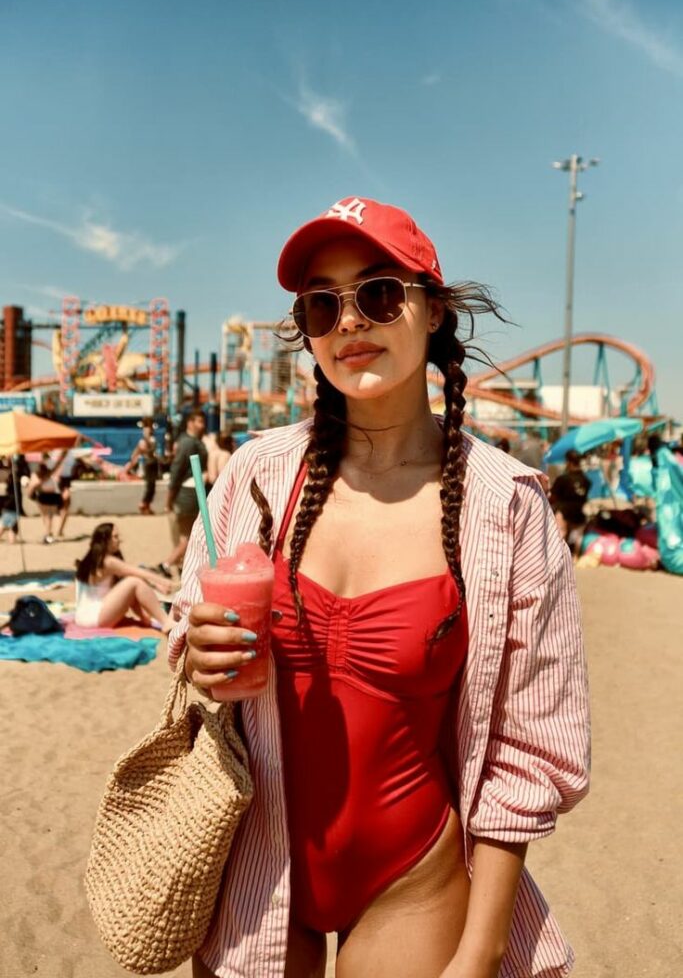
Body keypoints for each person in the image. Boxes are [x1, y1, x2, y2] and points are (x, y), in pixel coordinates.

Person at [168, 196, 590, 978]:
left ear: (433, 310)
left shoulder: (505, 507)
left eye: (378, 293)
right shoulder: (256, 476)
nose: (350, 321)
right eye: (321, 304)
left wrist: (481, 949)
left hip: (413, 879)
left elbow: (528, 744)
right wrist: (195, 646)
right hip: (253, 863)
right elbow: (185, 628)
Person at [75, 522, 175, 631]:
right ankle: (165, 621)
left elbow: (129, 582)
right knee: (134, 582)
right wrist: (163, 581)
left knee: (131, 584)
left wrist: (155, 585)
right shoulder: (108, 561)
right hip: (95, 617)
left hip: (83, 617)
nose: (119, 540)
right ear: (106, 540)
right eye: (115, 537)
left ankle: (145, 619)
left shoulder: (91, 559)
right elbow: (137, 572)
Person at [159, 410, 207, 578]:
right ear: (190, 423)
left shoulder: (191, 441)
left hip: (191, 492)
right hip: (189, 494)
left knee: (185, 535)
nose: (202, 425)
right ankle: (167, 564)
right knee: (190, 535)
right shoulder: (188, 443)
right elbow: (177, 471)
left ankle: (180, 567)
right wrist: (169, 499)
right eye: (199, 421)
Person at [549, 450, 591, 556]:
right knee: (578, 537)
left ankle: (558, 557)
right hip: (580, 511)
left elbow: (553, 497)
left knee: (561, 534)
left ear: (569, 462)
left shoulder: (563, 479)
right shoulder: (586, 480)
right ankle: (576, 557)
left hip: (564, 510)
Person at [123, 417, 159, 515]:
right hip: (149, 462)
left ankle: (147, 505)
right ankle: (143, 504)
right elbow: (144, 447)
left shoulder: (150, 434)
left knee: (152, 485)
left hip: (151, 461)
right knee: (150, 485)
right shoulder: (147, 434)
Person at [28, 454, 64, 544]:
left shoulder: (37, 475)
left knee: (47, 517)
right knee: (49, 517)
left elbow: (32, 486)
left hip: (46, 496)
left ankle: (48, 534)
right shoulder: (47, 473)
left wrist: (31, 494)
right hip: (49, 496)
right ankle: (49, 534)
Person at [0, 456, 18, 544]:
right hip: (9, 501)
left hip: (7, 501)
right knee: (6, 522)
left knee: (9, 522)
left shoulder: (8, 472)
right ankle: (11, 540)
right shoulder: (8, 473)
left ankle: (12, 539)